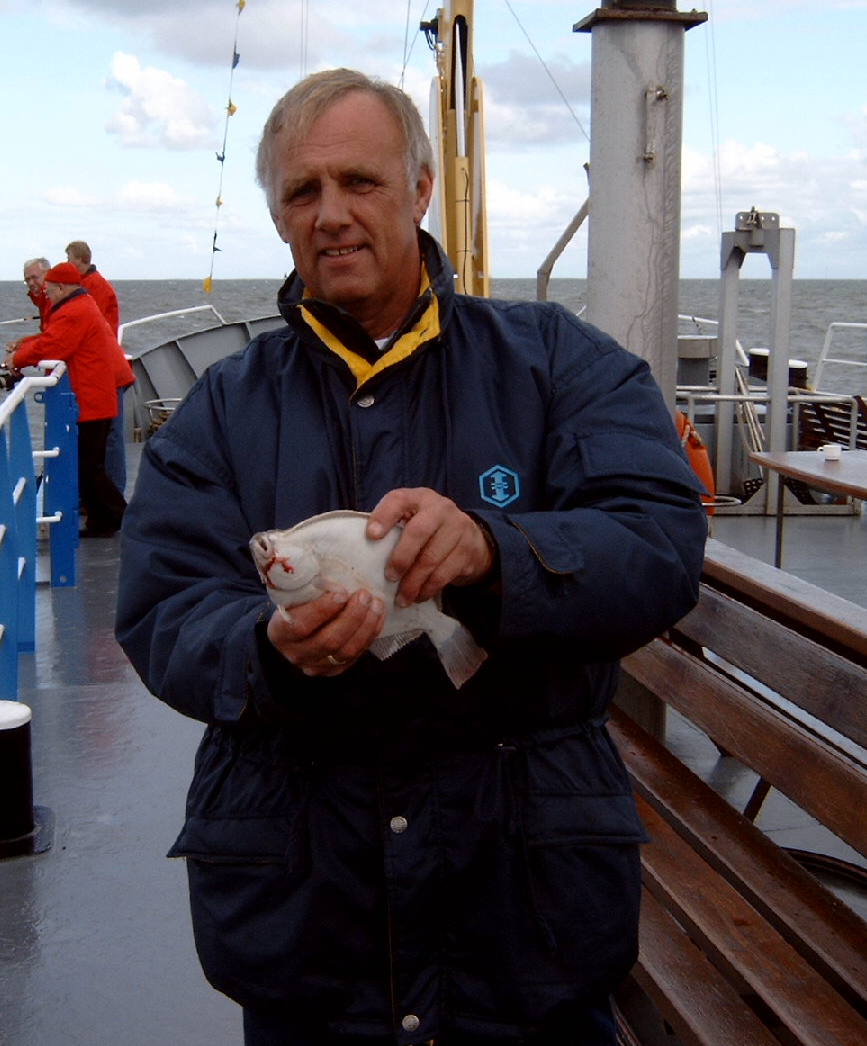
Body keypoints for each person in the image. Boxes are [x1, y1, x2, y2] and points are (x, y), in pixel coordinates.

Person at [114, 69, 708, 1044]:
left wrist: (495, 552)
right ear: (275, 215)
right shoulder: (219, 410)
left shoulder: (560, 362)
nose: (332, 214)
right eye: (303, 192)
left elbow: (659, 543)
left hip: (526, 904)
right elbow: (161, 608)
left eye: (361, 182)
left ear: (421, 190)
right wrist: (266, 649)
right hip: (308, 914)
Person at [4, 261, 130, 538]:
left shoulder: (75, 311)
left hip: (93, 402)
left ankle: (128, 520)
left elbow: (53, 344)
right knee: (89, 466)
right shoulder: (80, 306)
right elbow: (53, 338)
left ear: (61, 287)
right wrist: (25, 346)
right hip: (94, 398)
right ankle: (103, 522)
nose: (45, 293)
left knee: (89, 468)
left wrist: (17, 358)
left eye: (47, 287)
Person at [64, 239, 129, 494]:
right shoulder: (90, 285)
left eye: (70, 259)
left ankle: (113, 491)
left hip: (108, 370)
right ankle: (102, 492)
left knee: (110, 437)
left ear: (80, 260)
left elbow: (91, 328)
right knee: (106, 436)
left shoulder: (93, 287)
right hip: (106, 366)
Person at [64, 240, 120, 335]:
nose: (67, 262)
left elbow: (93, 317)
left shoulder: (96, 284)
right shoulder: (83, 281)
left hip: (100, 340)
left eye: (69, 258)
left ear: (79, 259)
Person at [21, 255, 52, 327]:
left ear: (48, 273)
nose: (31, 283)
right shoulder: (41, 298)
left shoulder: (55, 297)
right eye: (27, 280)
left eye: (34, 277)